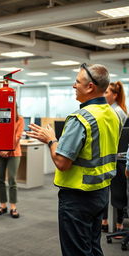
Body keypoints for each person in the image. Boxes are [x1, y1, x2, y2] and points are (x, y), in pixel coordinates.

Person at [27, 63, 121, 256]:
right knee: (94, 248)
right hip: (101, 193)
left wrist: (51, 140)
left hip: (78, 198)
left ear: (90, 87)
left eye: (77, 82)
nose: (73, 85)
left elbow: (62, 163)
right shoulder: (114, 115)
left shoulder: (80, 119)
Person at [102, 81, 128, 234]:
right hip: (116, 157)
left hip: (116, 158)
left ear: (115, 95)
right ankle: (110, 222)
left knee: (113, 191)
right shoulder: (118, 110)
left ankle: (115, 223)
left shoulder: (116, 112)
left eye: (107, 93)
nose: (104, 95)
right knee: (113, 191)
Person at [0, 106, 24, 218]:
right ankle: (3, 205)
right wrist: (1, 149)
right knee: (0, 180)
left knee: (12, 179)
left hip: (14, 153)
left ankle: (13, 207)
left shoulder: (19, 119)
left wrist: (8, 149)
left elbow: (18, 136)